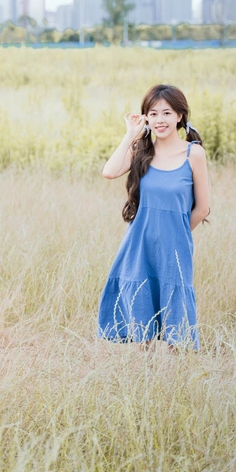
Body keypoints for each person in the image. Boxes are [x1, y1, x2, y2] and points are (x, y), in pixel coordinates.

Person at [97, 84, 211, 351]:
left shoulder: (193, 153)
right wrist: (130, 135)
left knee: (176, 318)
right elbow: (109, 171)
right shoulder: (142, 151)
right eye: (153, 113)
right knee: (141, 308)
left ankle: (174, 379)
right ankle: (146, 376)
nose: (160, 120)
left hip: (176, 246)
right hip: (140, 244)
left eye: (167, 113)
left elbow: (202, 208)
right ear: (146, 118)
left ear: (180, 116)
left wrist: (177, 233)